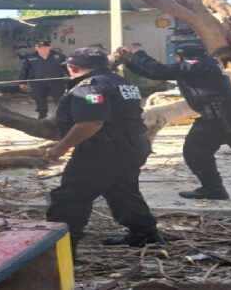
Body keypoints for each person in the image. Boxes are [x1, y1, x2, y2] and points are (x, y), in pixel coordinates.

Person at [117, 43, 231, 200]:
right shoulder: (202, 65)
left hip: (222, 116)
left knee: (196, 150)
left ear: (183, 56)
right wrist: (129, 62)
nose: (177, 60)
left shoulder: (197, 64)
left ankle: (213, 188)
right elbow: (156, 74)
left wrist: (138, 53)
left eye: (178, 57)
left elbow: (159, 70)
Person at [45, 47, 162, 258]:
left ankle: (60, 253)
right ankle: (145, 233)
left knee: (69, 198)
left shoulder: (89, 87)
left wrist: (61, 147)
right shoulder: (123, 82)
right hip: (133, 147)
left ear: (72, 67)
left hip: (102, 151)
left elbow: (92, 122)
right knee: (122, 190)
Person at [18, 40, 67, 119]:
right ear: (36, 48)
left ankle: (62, 116)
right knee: (40, 99)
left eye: (45, 47)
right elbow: (25, 70)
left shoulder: (60, 56)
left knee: (60, 99)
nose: (43, 49)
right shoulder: (30, 58)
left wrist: (74, 77)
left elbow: (68, 67)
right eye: (40, 47)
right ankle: (42, 115)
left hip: (56, 81)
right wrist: (22, 81)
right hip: (38, 82)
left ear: (50, 47)